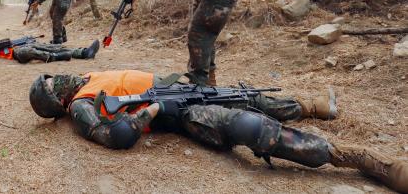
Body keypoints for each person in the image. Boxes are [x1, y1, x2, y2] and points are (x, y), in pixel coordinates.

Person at [29, 70, 408, 193]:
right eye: (50, 84)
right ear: (55, 100)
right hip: (177, 110)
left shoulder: (90, 77)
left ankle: (313, 107)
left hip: (178, 89)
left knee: (246, 97)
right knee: (247, 125)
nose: (55, 79)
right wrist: (155, 111)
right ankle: (365, 160)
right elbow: (117, 136)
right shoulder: (80, 103)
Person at [0, 37, 100, 63]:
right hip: (18, 53)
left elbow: (25, 42)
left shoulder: (7, 42)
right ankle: (56, 57)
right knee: (27, 51)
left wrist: (30, 41)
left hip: (24, 46)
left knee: (51, 46)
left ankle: (84, 53)